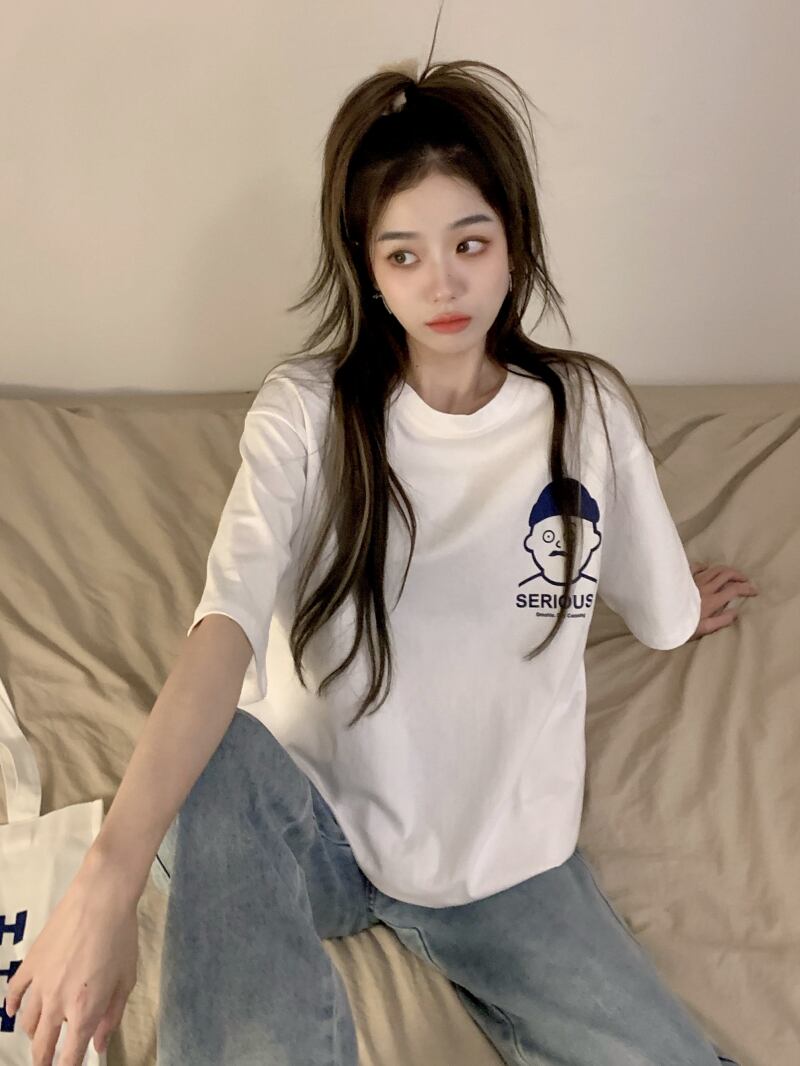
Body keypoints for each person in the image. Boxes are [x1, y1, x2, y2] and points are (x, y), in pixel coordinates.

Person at [5, 33, 757, 1066]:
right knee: (220, 757)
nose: (441, 284)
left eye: (469, 243)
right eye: (403, 255)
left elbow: (663, 614)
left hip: (506, 861)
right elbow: (223, 624)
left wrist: (679, 603)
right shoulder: (305, 412)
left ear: (514, 239)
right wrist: (107, 876)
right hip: (310, 824)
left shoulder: (584, 411)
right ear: (368, 269)